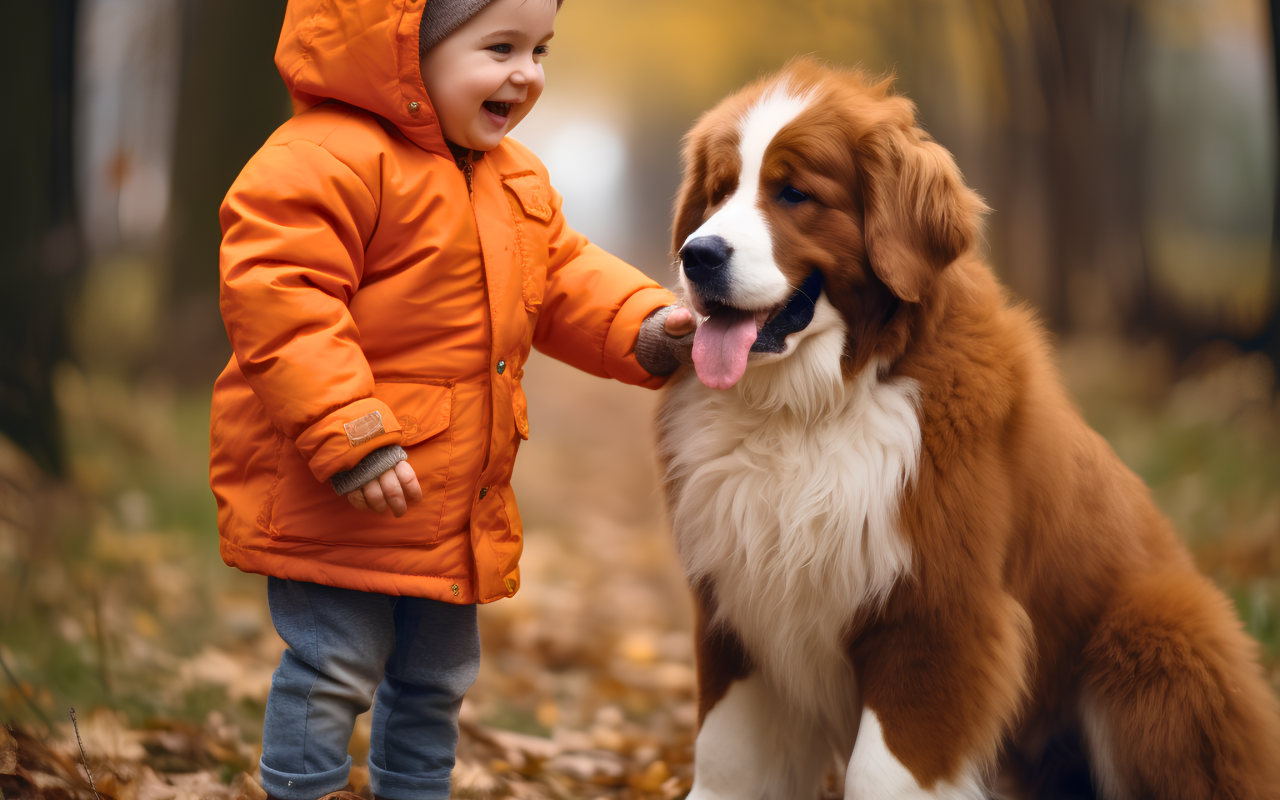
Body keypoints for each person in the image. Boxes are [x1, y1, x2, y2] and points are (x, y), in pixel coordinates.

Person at [208, 1, 694, 798]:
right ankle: (302, 789)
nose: (526, 72)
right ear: (405, 48)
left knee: (437, 679)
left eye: (539, 49)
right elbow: (280, 300)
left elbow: (566, 279)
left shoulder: (516, 179)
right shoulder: (325, 158)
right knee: (333, 667)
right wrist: (351, 433)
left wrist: (645, 325)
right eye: (499, 46)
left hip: (448, 505)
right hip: (341, 488)